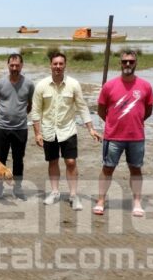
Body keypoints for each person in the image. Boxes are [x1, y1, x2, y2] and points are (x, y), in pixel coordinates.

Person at [31, 52, 101, 210]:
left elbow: (82, 108)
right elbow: (36, 111)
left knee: (71, 162)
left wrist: (91, 129)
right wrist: (37, 133)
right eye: (55, 64)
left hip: (68, 130)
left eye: (60, 64)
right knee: (53, 161)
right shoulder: (41, 85)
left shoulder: (73, 84)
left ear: (65, 65)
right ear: (50, 65)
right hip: (49, 130)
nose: (58, 67)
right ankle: (55, 192)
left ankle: (73, 195)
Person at [94, 51, 153, 217]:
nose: (128, 64)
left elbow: (148, 110)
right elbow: (101, 109)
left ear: (136, 63)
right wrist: (113, 123)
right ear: (120, 63)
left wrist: (134, 121)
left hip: (136, 136)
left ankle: (136, 202)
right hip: (113, 136)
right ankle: (101, 200)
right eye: (125, 61)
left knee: (136, 169)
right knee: (108, 168)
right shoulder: (109, 86)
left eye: (131, 61)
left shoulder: (145, 86)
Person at [0, 53, 35, 200]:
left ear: (22, 66)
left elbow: (30, 105)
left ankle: (17, 187)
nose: (14, 68)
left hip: (20, 129)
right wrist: (5, 115)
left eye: (17, 65)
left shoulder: (29, 84)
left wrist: (20, 115)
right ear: (8, 65)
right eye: (12, 65)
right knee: (0, 159)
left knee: (18, 159)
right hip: (1, 128)